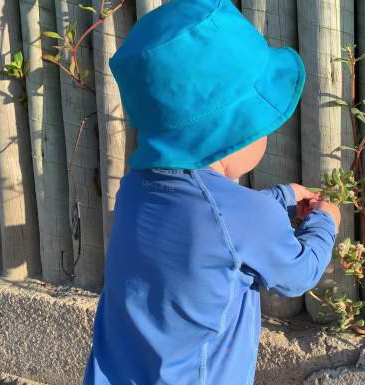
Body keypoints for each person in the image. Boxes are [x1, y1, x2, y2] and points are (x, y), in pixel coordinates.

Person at [82, 0, 341, 384]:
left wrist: (283, 196)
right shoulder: (242, 217)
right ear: (233, 132)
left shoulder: (138, 187)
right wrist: (325, 221)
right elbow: (298, 273)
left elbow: (213, 225)